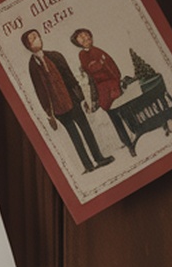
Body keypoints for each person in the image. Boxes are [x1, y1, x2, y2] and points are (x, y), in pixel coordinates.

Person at [21, 28, 113, 176]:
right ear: (28, 45)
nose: (38, 39)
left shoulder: (55, 56)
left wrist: (82, 99)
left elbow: (70, 78)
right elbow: (40, 91)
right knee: (74, 135)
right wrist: (48, 112)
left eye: (38, 36)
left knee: (86, 129)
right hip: (58, 108)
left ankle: (99, 158)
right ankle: (88, 165)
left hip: (72, 100)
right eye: (33, 38)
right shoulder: (33, 66)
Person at [70, 28, 135, 156]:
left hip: (113, 84)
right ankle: (127, 142)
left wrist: (115, 78)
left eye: (87, 35)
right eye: (81, 37)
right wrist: (100, 64)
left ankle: (134, 133)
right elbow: (93, 68)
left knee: (124, 110)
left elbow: (112, 66)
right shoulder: (82, 55)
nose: (85, 38)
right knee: (113, 115)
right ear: (77, 42)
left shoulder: (98, 50)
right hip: (102, 88)